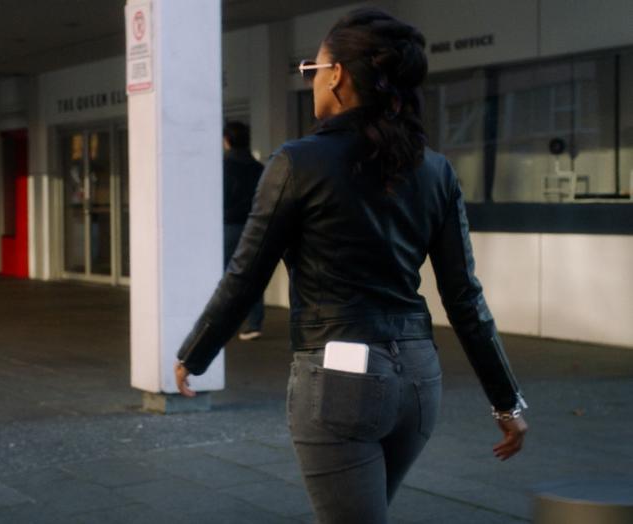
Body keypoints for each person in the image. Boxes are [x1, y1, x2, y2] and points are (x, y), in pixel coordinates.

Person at [174, 8, 528, 523]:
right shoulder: (435, 169)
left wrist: (194, 353)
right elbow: (464, 297)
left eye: (311, 69)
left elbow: (246, 275)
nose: (311, 79)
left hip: (341, 379)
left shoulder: (296, 163)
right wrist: (507, 402)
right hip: (419, 381)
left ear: (337, 74)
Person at [222, 121, 265, 340]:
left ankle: (224, 323)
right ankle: (255, 323)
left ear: (227, 140)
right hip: (254, 226)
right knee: (252, 275)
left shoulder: (223, 166)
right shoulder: (258, 167)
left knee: (227, 277)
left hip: (228, 226)